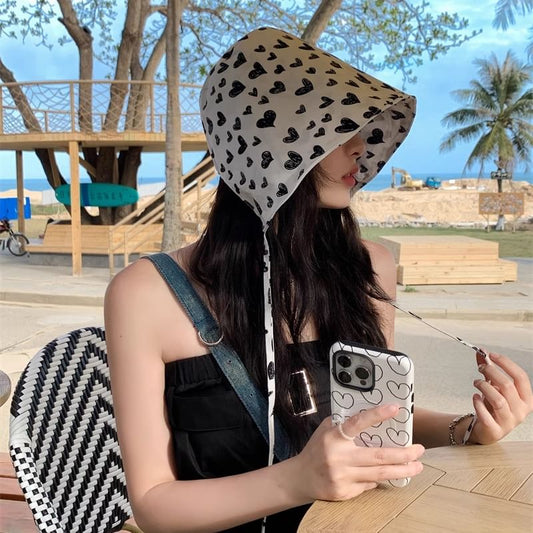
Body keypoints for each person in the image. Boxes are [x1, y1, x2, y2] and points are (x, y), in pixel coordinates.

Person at [104, 27, 533, 533]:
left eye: (360, 128)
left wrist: (468, 429)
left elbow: (378, 419)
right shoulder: (147, 294)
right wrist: (297, 480)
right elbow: (154, 505)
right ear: (275, 142)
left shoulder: (369, 268)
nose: (361, 146)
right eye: (337, 130)